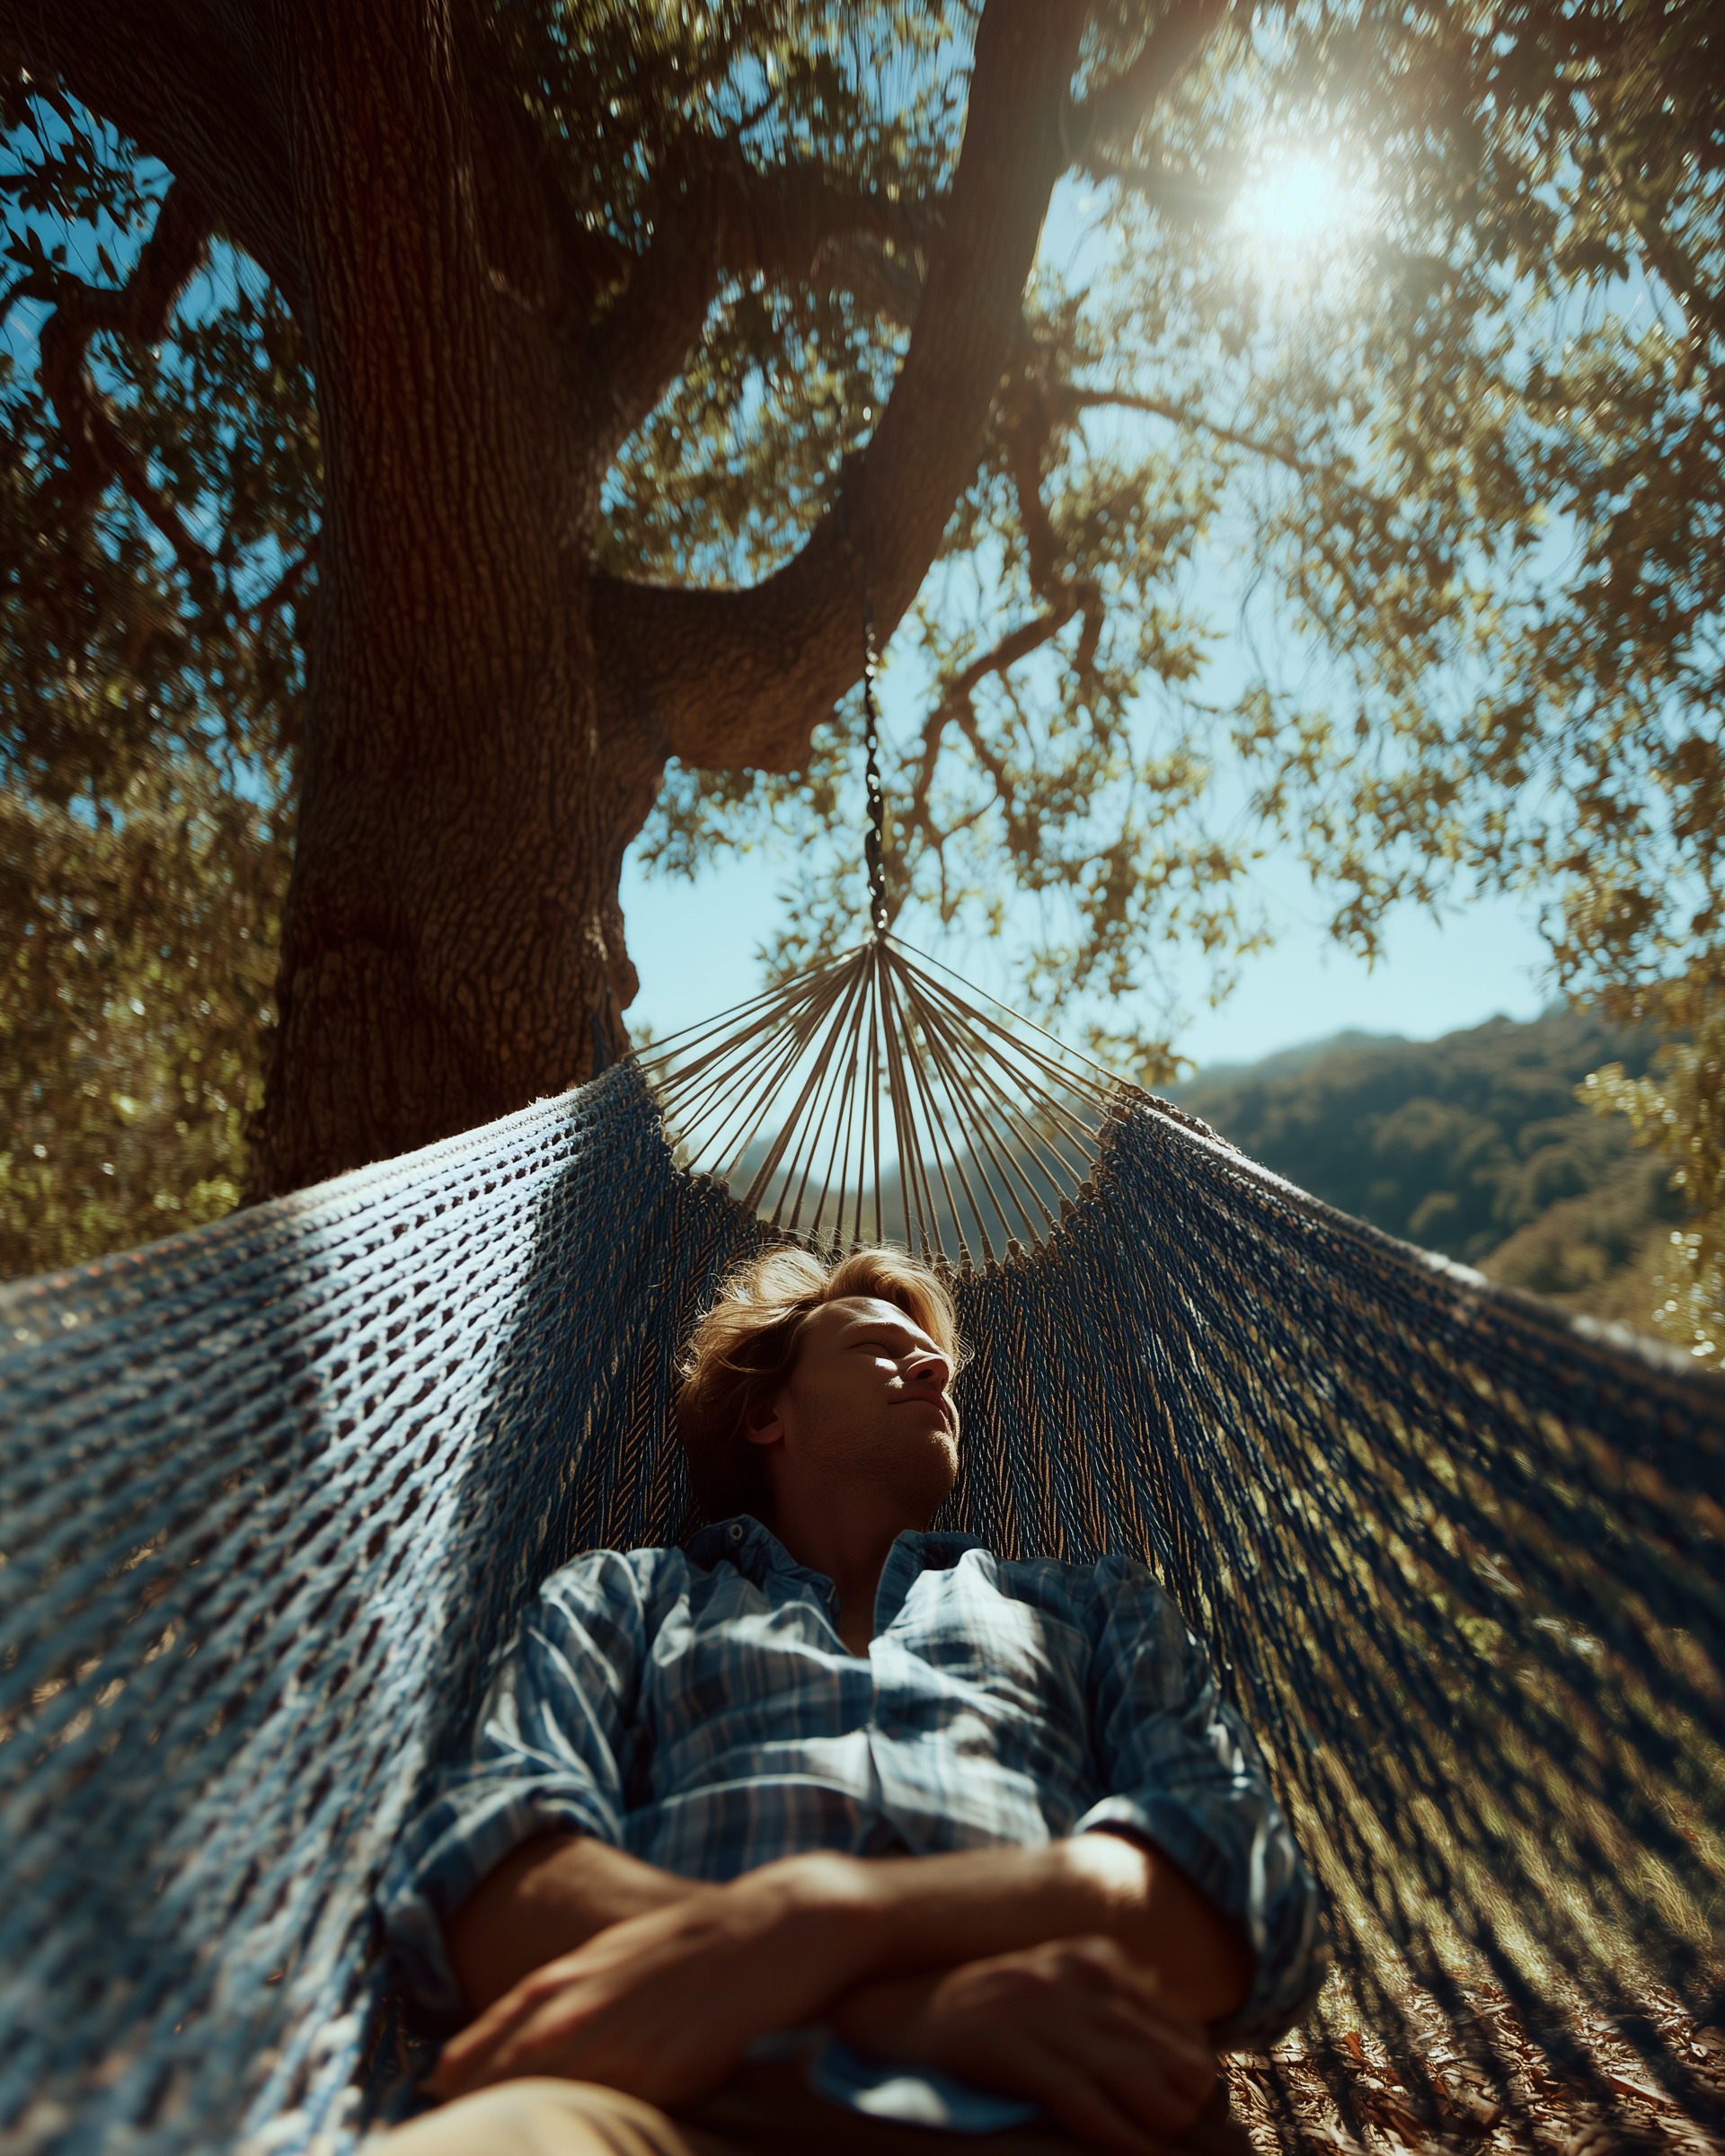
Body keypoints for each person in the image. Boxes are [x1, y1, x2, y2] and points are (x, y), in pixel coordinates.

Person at [378, 1247, 1322, 2156]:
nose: (934, 1363)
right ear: (766, 1417)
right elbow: (488, 1892)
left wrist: (838, 1916)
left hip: (1057, 2114)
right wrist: (901, 2012)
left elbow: (1236, 1901)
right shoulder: (624, 1599)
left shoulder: (1096, 1608)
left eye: (934, 1354)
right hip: (661, 2102)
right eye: (878, 1345)